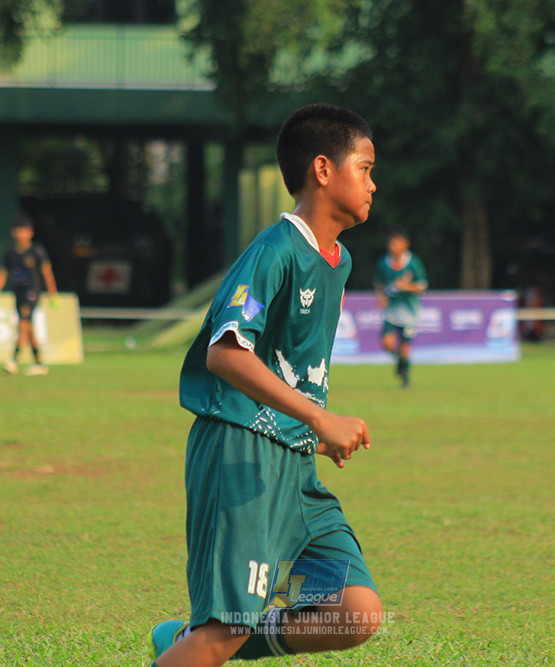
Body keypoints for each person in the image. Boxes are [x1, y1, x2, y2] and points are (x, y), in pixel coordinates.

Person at [146, 104, 383, 667]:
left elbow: (288, 364)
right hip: (241, 454)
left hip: (293, 466)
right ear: (323, 170)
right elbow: (226, 354)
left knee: (355, 612)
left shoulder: (337, 260)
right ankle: (199, 644)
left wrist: (307, 426)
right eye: (366, 167)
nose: (374, 183)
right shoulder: (274, 251)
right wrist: (319, 417)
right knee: (221, 633)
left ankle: (190, 640)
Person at [0, 214, 58, 376]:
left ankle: (13, 360)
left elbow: (47, 272)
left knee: (23, 322)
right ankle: (39, 363)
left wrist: (53, 294)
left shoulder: (36, 251)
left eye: (24, 230)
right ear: (13, 233)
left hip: (33, 291)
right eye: (18, 231)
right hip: (19, 292)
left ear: (30, 233)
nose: (21, 234)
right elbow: (3, 272)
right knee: (28, 328)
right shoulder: (10, 253)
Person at [373, 230, 427, 387]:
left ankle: (405, 376)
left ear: (405, 245)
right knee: (387, 343)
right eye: (391, 243)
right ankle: (401, 361)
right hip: (391, 311)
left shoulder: (413, 263)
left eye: (396, 243)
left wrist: (406, 286)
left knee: (405, 345)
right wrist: (381, 297)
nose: (393, 246)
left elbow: (422, 286)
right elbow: (379, 283)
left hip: (409, 312)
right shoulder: (383, 263)